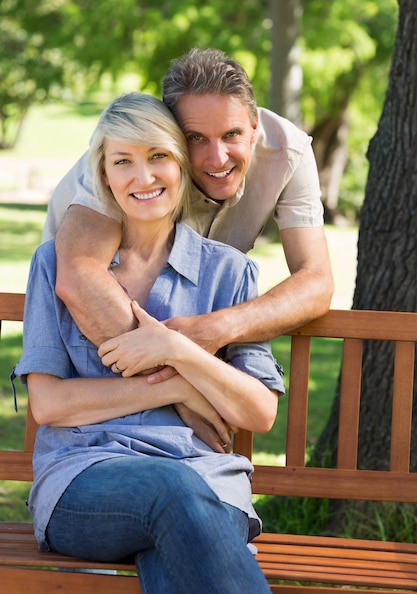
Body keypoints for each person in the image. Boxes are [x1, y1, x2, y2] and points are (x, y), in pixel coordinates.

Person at [15, 92, 284, 593]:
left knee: (172, 551)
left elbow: (259, 413)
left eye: (158, 156)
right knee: (173, 491)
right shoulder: (53, 263)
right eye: (124, 162)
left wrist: (176, 348)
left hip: (208, 480)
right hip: (84, 478)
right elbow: (49, 404)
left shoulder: (228, 271)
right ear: (103, 174)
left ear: (181, 164)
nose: (143, 178)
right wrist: (174, 388)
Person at [42, 48, 333, 361]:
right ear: (171, 137)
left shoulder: (288, 151)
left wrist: (216, 328)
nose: (218, 158)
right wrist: (181, 371)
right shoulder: (122, 162)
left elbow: (316, 282)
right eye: (196, 138)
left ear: (253, 127)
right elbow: (78, 276)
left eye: (231, 134)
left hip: (190, 334)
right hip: (91, 330)